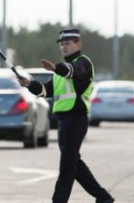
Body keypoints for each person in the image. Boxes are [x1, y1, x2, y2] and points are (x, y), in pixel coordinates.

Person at [18, 28, 115, 203]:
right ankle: (103, 197)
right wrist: (29, 84)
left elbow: (72, 71)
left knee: (67, 166)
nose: (64, 47)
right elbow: (45, 91)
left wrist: (56, 68)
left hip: (76, 119)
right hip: (64, 121)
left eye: (68, 43)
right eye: (62, 44)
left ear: (78, 44)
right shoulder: (59, 73)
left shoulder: (83, 63)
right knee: (74, 164)